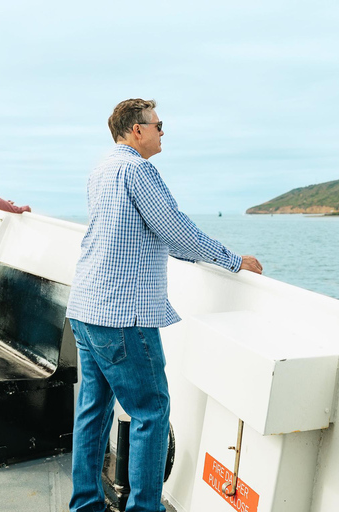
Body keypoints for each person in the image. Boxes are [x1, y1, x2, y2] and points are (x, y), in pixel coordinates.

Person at [66, 98, 262, 512]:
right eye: (158, 125)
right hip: (122, 315)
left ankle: (84, 505)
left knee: (92, 411)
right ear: (137, 130)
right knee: (151, 413)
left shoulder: (101, 169)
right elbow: (177, 233)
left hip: (86, 308)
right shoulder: (138, 170)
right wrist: (233, 259)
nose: (162, 132)